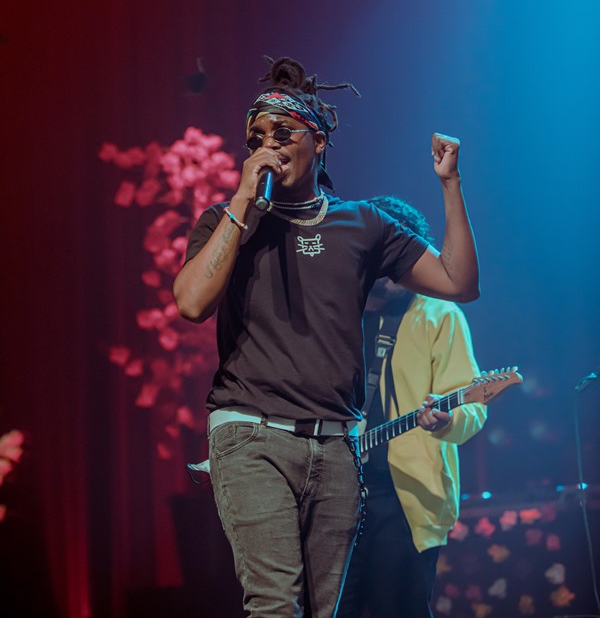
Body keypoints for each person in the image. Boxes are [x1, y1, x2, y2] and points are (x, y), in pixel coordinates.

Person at [173, 56, 479, 618]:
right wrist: (242, 201)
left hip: (337, 444)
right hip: (250, 433)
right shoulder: (228, 219)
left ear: (318, 141)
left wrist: (450, 184)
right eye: (255, 137)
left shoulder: (363, 223)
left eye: (282, 133)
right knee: (274, 604)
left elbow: (459, 282)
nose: (267, 145)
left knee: (324, 610)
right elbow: (192, 303)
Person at [337, 196, 486, 618]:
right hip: (335, 493)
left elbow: (473, 407)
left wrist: (444, 420)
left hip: (402, 500)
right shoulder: (341, 311)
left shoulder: (440, 313)